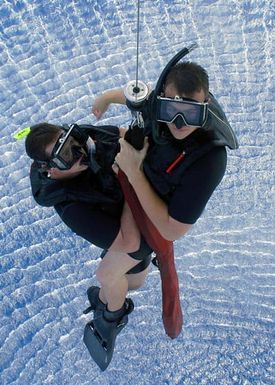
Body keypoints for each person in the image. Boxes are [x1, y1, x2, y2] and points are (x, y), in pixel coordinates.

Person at [24, 122, 153, 339]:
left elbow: (121, 133)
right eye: (66, 155)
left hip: (141, 220)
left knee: (111, 277)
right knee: (123, 279)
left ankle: (108, 308)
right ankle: (112, 315)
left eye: (72, 140)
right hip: (132, 230)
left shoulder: (86, 138)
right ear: (51, 170)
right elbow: (129, 242)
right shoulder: (71, 207)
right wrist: (130, 178)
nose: (79, 151)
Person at [92, 61, 238, 245]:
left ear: (205, 106)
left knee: (107, 273)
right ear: (162, 100)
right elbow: (140, 97)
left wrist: (134, 173)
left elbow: (171, 231)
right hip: (140, 169)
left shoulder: (211, 162)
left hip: (154, 215)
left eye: (191, 113)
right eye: (171, 110)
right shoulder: (159, 104)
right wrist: (106, 98)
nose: (179, 123)